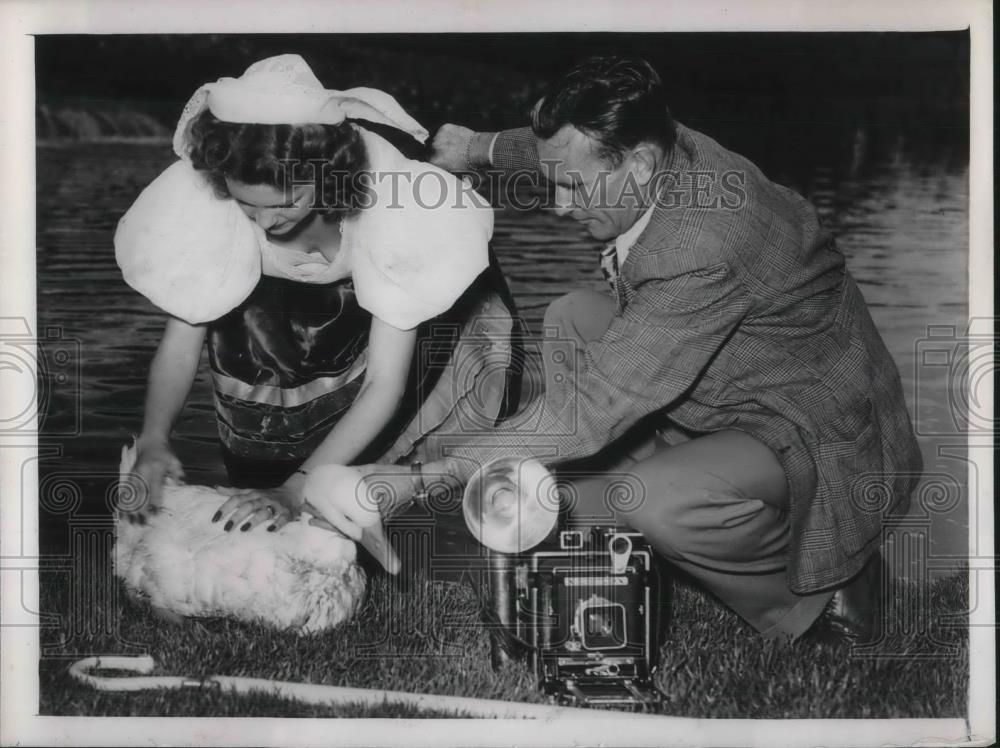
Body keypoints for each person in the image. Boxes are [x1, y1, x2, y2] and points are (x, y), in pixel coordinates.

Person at [316, 56, 923, 641]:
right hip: (751, 373)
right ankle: (631, 485)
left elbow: (597, 402)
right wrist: (474, 146)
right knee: (573, 316)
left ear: (637, 165)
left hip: (817, 422)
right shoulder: (647, 142)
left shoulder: (700, 245)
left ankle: (817, 601)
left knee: (656, 503)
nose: (557, 205)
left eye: (573, 189)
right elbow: (557, 150)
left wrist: (423, 477)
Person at [116, 55, 522, 565]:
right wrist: (154, 438)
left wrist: (299, 488)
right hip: (282, 332)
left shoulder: (392, 208)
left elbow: (385, 384)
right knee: (274, 525)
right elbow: (180, 342)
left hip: (408, 323)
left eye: (286, 202)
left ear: (326, 175)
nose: (266, 222)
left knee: (388, 504)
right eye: (248, 207)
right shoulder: (216, 195)